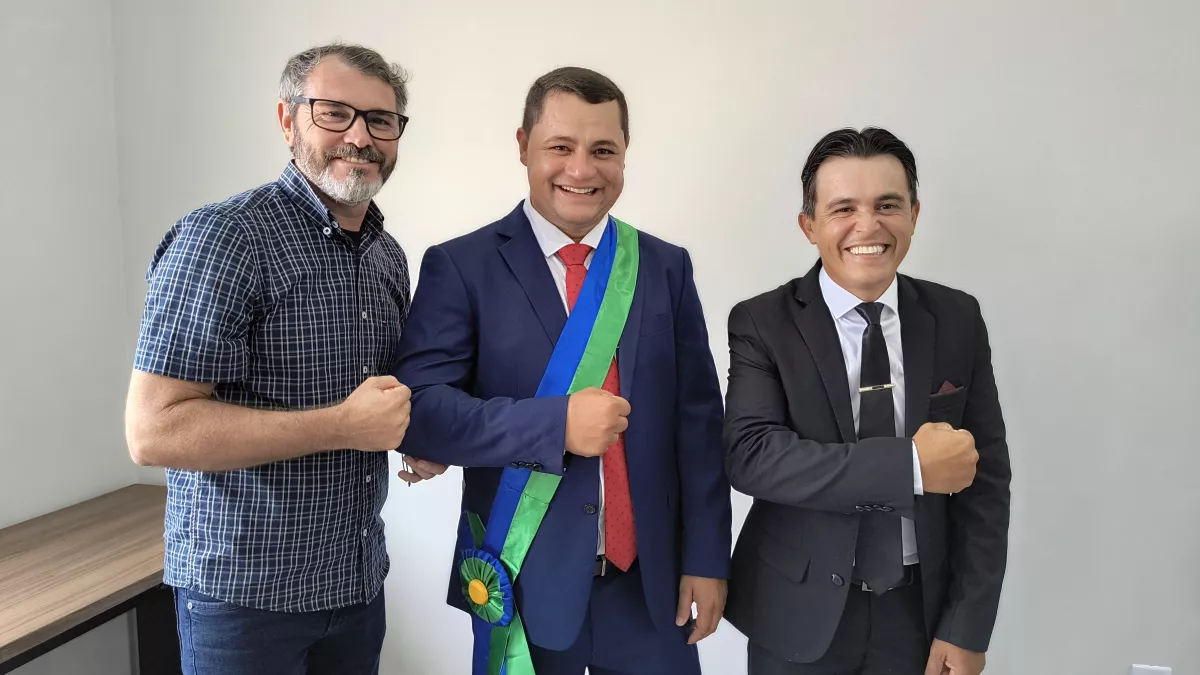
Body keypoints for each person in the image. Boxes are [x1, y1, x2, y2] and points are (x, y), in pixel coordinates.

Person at [394, 66, 732, 675]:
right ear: (523, 145)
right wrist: (555, 427)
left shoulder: (665, 266)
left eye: (602, 150)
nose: (581, 169)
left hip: (651, 589)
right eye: (560, 147)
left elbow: (700, 426)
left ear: (625, 153)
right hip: (522, 584)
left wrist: (708, 559)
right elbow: (422, 413)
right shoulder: (462, 266)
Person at [124, 42, 442, 675]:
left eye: (380, 120)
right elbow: (154, 431)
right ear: (287, 120)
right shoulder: (225, 238)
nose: (360, 137)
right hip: (244, 602)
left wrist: (421, 433)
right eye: (335, 113)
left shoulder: (386, 255)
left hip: (356, 586)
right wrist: (342, 425)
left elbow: (382, 394)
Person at [722, 127, 1011, 675]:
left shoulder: (957, 318)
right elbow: (753, 455)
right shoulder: (762, 322)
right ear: (809, 226)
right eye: (843, 208)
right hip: (796, 611)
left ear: (914, 215)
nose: (868, 225)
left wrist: (967, 626)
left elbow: (987, 482)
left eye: (887, 205)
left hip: (922, 613)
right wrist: (910, 467)